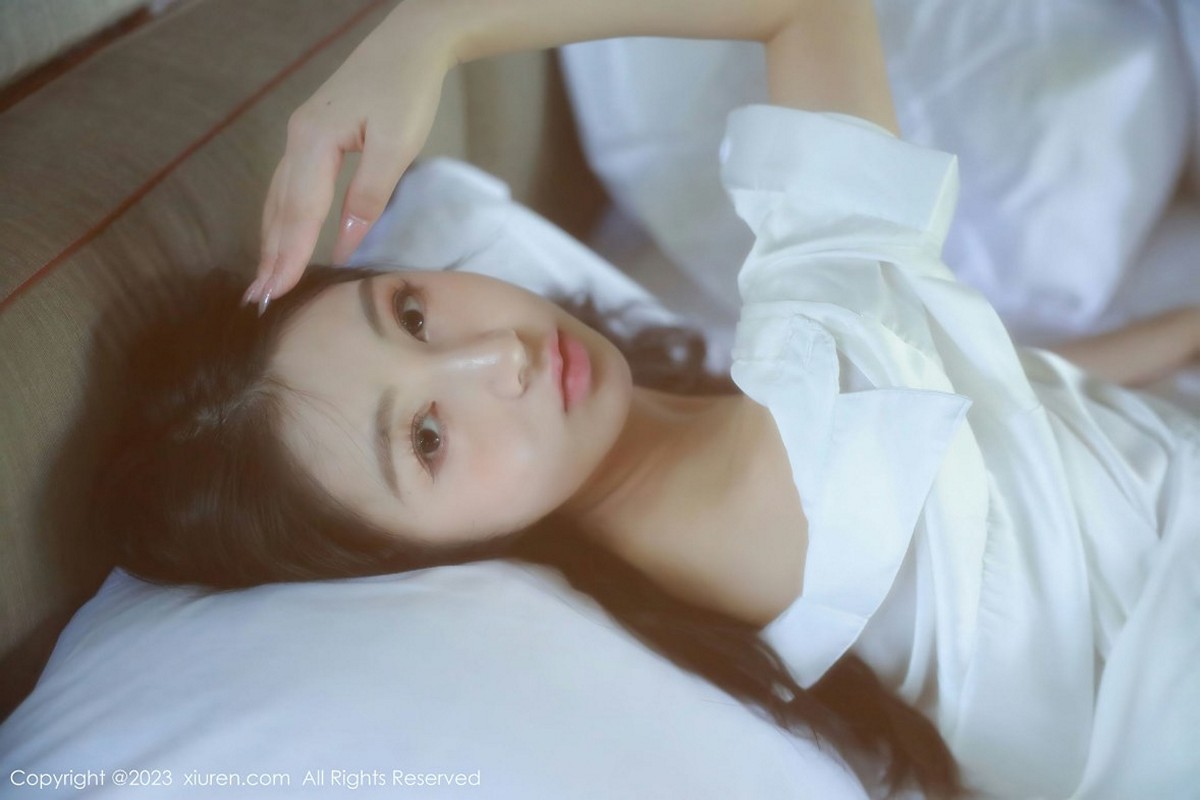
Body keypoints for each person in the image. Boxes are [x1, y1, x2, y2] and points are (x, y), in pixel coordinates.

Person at [100, 1, 1200, 798]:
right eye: (426, 438)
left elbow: (1004, 423)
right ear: (409, 559)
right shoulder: (780, 454)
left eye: (414, 312)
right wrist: (432, 30)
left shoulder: (766, 405)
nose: (498, 359)